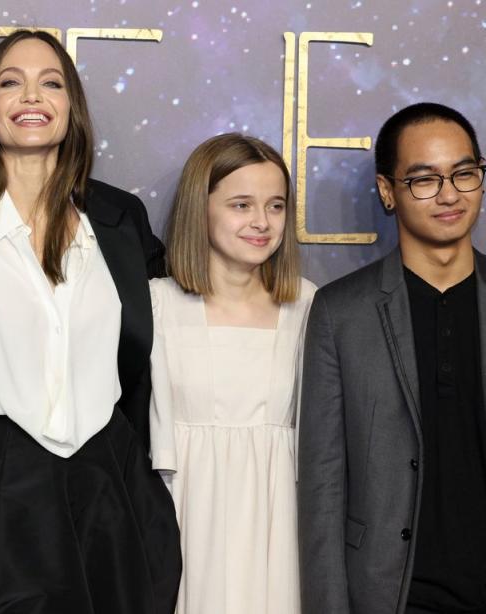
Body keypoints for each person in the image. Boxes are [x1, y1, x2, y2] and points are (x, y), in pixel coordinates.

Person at [0, 29, 182, 614]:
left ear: (71, 110)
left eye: (51, 83)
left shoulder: (121, 218)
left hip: (109, 487)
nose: (32, 96)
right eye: (11, 83)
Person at [298, 102, 486, 614]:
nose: (449, 194)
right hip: (390, 594)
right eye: (424, 180)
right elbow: (322, 484)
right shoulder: (341, 313)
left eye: (464, 174)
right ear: (388, 191)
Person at [149, 133, 315, 614]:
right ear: (199, 209)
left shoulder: (311, 307)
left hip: (280, 527)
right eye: (241, 204)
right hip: (183, 523)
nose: (262, 222)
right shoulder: (154, 305)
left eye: (276, 206)